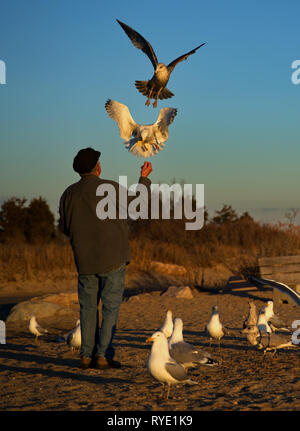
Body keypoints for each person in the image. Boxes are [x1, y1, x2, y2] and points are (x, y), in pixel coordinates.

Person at [58, 147, 152, 370]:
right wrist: (144, 179)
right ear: (97, 167)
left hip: (84, 261)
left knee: (87, 308)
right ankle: (102, 355)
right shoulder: (109, 187)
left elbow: (64, 228)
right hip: (113, 257)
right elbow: (138, 205)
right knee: (110, 308)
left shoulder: (68, 194)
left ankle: (86, 355)